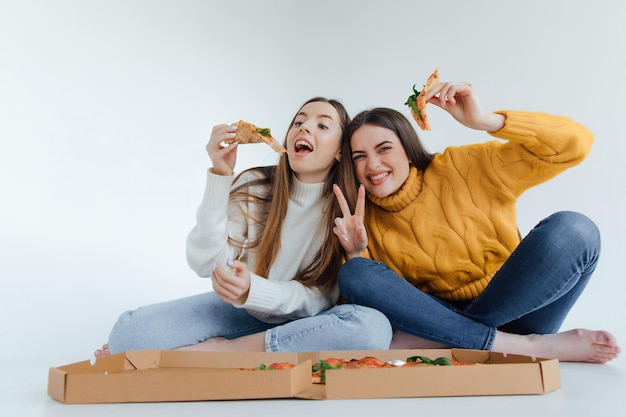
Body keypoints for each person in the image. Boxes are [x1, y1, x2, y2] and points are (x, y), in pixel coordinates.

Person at [332, 80, 620, 363]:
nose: (372, 165)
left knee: (576, 229)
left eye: (384, 149)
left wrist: (486, 120)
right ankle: (524, 347)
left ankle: (461, 340)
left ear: (407, 150)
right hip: (450, 320)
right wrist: (355, 252)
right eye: (360, 156)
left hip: (517, 310)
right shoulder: (360, 217)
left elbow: (575, 145)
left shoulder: (464, 167)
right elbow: (365, 315)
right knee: (355, 273)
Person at [95, 97, 392, 357]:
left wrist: (255, 289)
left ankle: (225, 351)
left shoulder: (348, 208)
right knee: (128, 333)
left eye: (322, 126)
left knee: (372, 328)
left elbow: (320, 299)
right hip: (246, 311)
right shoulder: (256, 186)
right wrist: (220, 176)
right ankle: (255, 348)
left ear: (340, 151)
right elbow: (205, 263)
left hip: (310, 323)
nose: (304, 128)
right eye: (299, 122)